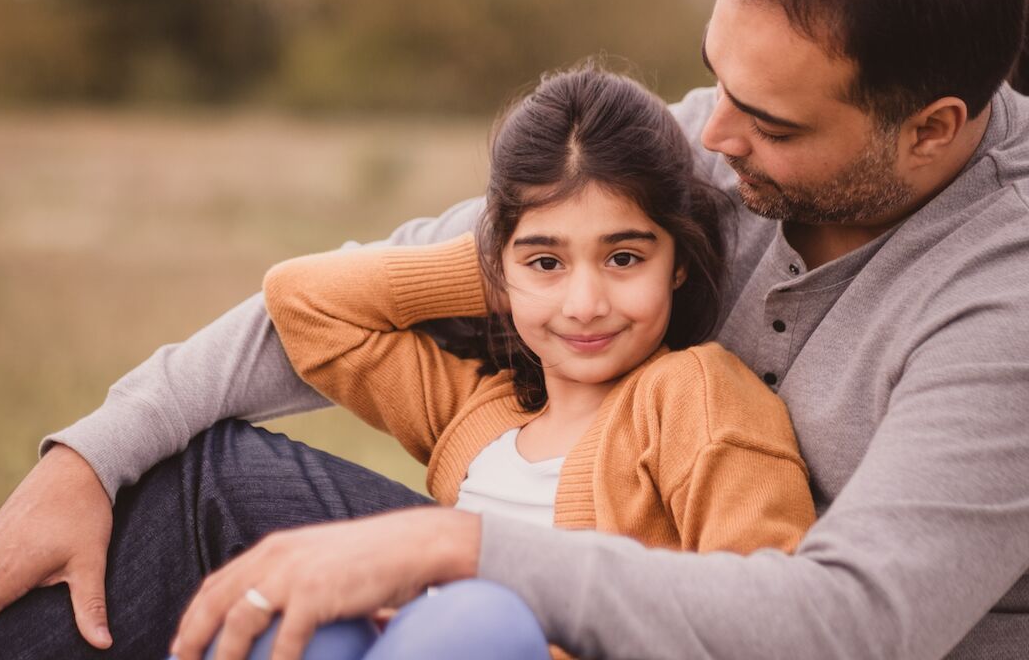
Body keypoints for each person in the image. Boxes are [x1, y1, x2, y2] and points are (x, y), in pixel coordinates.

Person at [0, 0, 1029, 660]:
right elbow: (374, 281)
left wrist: (461, 547)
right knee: (191, 475)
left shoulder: (1004, 295)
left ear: (930, 128)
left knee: (472, 618)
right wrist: (88, 455)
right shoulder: (708, 146)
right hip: (552, 590)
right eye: (716, 82)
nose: (716, 135)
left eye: (772, 121)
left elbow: (857, 630)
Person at [189, 66, 813, 659]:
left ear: (676, 262)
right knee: (303, 631)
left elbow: (767, 617)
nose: (586, 304)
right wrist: (497, 273)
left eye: (624, 258)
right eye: (547, 261)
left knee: (479, 624)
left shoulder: (696, 398)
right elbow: (305, 304)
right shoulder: (477, 413)